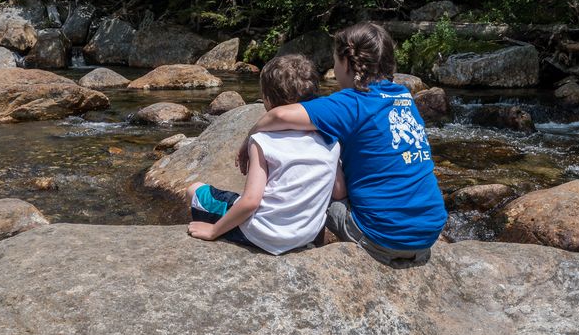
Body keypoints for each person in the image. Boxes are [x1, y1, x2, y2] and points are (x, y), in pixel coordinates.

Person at [237, 22, 446, 267]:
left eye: (335, 61)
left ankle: (300, 246)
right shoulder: (403, 96)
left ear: (347, 62)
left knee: (317, 186)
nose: (334, 69)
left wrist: (247, 140)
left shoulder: (350, 103)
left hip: (382, 238)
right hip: (427, 235)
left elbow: (279, 115)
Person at [186, 54, 340, 255]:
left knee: (194, 189)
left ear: (267, 100)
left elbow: (251, 201)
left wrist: (214, 231)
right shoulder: (331, 140)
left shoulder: (263, 140)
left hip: (262, 234)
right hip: (306, 234)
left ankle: (213, 225)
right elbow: (338, 191)